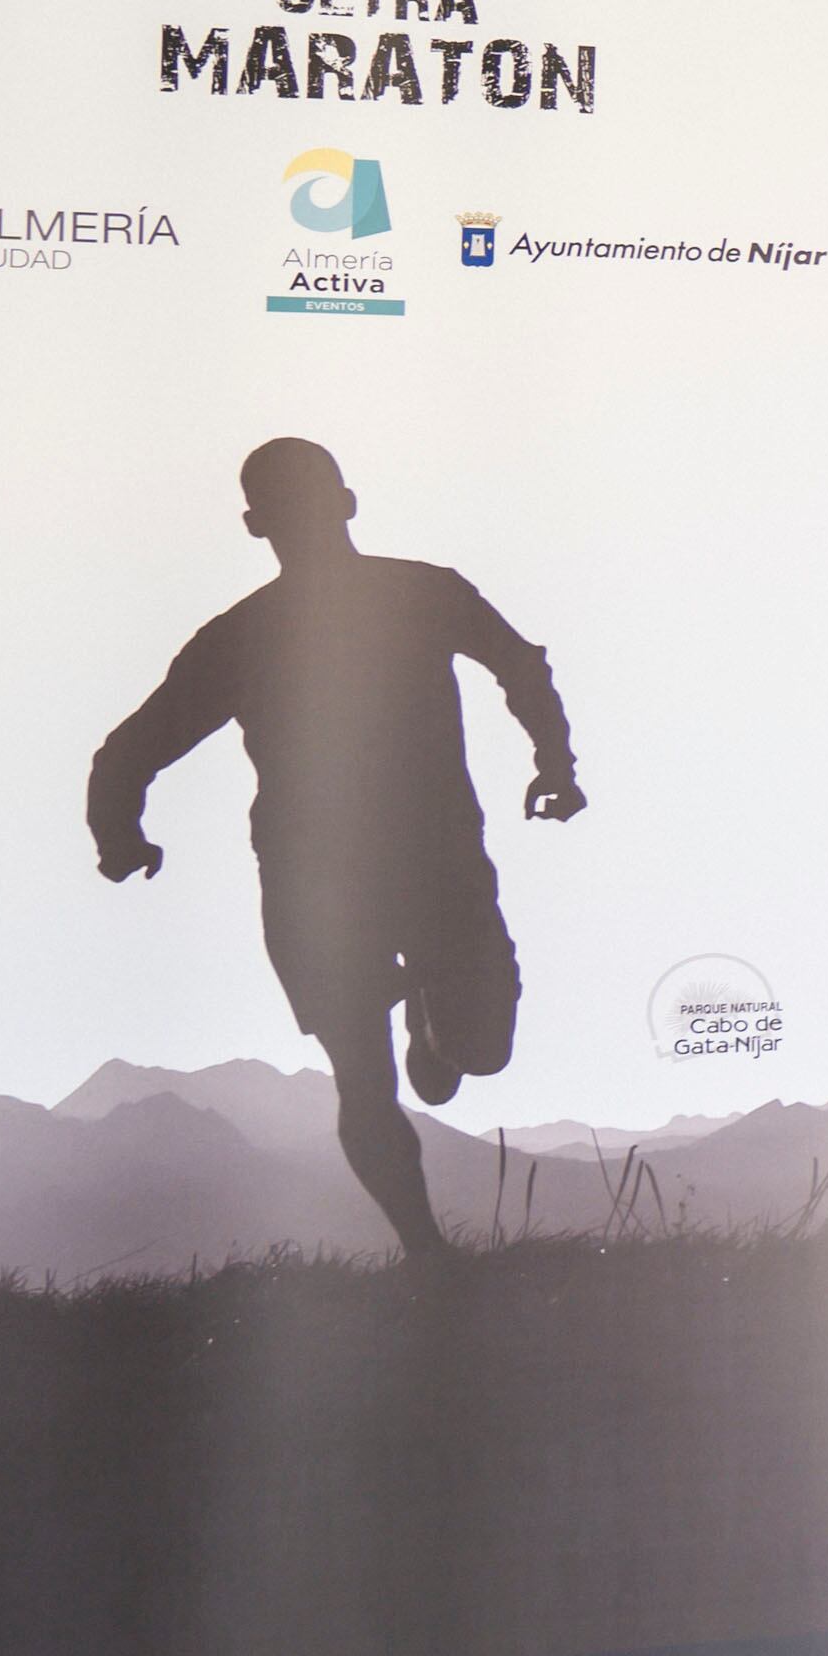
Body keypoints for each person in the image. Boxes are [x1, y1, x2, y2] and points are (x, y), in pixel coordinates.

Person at [90, 438, 581, 1262]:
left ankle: (432, 1028)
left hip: (438, 863)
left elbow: (517, 664)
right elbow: (133, 748)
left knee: (481, 1050)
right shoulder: (242, 637)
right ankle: (427, 1253)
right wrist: (118, 832)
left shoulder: (423, 592)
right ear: (262, 526)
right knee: (361, 1073)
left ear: (345, 506)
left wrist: (556, 763)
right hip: (311, 883)